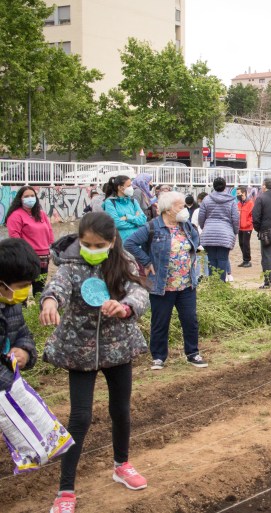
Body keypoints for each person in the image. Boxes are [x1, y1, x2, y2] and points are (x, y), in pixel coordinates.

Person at [40, 212, 150, 513]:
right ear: (79, 240)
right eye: (87, 244)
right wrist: (49, 301)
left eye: (99, 245)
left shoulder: (123, 260)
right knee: (80, 417)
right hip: (80, 350)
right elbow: (57, 287)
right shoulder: (70, 263)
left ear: (111, 241)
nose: (93, 249)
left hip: (118, 347)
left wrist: (126, 306)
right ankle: (65, 491)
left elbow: (139, 291)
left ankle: (121, 464)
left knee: (121, 409)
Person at [124, 191, 207, 370]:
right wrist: (146, 261)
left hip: (186, 283)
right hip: (162, 285)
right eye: (181, 206)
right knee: (160, 321)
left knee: (190, 320)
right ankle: (159, 357)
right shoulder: (153, 227)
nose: (184, 209)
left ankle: (193, 353)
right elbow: (129, 243)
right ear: (169, 210)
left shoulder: (186, 226)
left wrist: (191, 260)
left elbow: (195, 240)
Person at [0, 238, 41, 392]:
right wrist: (15, 387)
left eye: (29, 285)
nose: (26, 291)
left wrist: (25, 353)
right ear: (2, 283)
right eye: (22, 286)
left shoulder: (12, 304)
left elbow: (23, 335)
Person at [4, 186, 54, 297]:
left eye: (32, 196)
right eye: (26, 196)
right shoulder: (15, 215)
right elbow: (15, 236)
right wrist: (25, 253)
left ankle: (37, 311)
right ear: (20, 199)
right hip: (27, 258)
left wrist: (51, 248)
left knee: (39, 289)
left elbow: (49, 231)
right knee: (22, 290)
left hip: (44, 258)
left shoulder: (41, 214)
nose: (30, 198)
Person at [198, 177, 239, 282]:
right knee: (223, 260)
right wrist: (235, 231)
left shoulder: (206, 200)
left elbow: (201, 218)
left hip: (209, 234)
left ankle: (213, 284)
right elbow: (235, 219)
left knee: (211, 261)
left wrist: (205, 228)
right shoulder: (231, 201)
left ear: (213, 186)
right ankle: (221, 284)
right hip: (225, 234)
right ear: (225, 186)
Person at [102, 175, 147, 243]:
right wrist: (136, 221)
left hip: (137, 242)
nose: (131, 188)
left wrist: (127, 217)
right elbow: (116, 223)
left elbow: (143, 220)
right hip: (121, 243)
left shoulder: (133, 201)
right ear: (120, 188)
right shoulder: (110, 202)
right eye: (128, 186)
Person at [236, 186, 255, 268]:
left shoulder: (250, 203)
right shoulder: (239, 203)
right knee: (241, 243)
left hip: (247, 227)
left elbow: (253, 216)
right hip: (240, 227)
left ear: (243, 193)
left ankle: (247, 260)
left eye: (238, 193)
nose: (237, 195)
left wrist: (247, 223)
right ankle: (245, 260)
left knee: (246, 244)